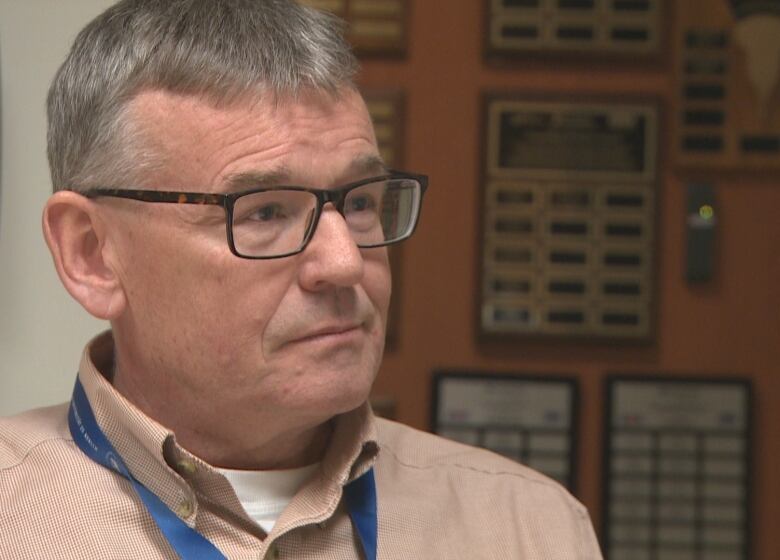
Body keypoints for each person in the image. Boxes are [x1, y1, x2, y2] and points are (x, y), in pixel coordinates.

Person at [0, 1, 603, 558]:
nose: (343, 263)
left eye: (360, 203)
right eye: (264, 212)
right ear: (93, 255)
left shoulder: (531, 527)